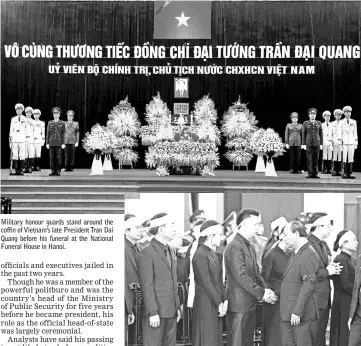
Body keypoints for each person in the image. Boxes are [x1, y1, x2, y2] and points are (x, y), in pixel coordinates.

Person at [223, 209, 277, 346]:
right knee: (238, 342)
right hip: (239, 305)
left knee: (247, 341)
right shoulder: (234, 246)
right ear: (245, 224)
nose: (259, 228)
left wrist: (266, 290)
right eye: (256, 224)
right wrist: (262, 293)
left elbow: (256, 273)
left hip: (249, 302)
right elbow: (241, 276)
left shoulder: (249, 245)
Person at [136, 213, 181, 346]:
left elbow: (173, 281)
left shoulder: (171, 251)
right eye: (171, 225)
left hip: (171, 310)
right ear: (161, 229)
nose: (174, 229)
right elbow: (146, 285)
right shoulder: (147, 252)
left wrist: (177, 306)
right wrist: (152, 312)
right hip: (156, 312)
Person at [188, 220, 227, 346]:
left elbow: (219, 281)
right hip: (205, 301)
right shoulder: (200, 254)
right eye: (220, 234)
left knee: (214, 338)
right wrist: (219, 302)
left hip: (214, 301)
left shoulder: (214, 254)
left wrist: (224, 300)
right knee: (206, 337)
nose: (222, 238)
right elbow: (206, 281)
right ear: (210, 235)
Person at [280, 223, 320, 346]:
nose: (283, 238)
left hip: (300, 315)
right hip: (290, 313)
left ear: (296, 234)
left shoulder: (308, 253)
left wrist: (297, 311)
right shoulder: (296, 252)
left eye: (286, 234)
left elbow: (308, 285)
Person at [308, 214, 343, 346]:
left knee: (320, 337)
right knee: (313, 338)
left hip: (323, 298)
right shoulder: (308, 244)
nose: (330, 229)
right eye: (328, 226)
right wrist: (327, 271)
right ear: (318, 226)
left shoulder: (323, 244)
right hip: (312, 299)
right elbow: (305, 274)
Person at [261, 221, 292, 346]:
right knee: (274, 338)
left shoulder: (291, 254)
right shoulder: (271, 254)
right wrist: (269, 293)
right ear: (283, 236)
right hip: (274, 302)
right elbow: (263, 278)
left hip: (287, 301)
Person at [330, 230, 358, 346]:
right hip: (342, 303)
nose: (357, 243)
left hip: (349, 302)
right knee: (342, 334)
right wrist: (358, 293)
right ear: (344, 243)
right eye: (353, 240)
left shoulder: (352, 260)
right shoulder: (340, 259)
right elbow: (345, 284)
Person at [124, 214, 143, 346]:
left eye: (141, 227)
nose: (141, 230)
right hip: (127, 301)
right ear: (126, 231)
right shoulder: (120, 249)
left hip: (140, 300)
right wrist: (129, 309)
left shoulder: (141, 248)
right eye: (137, 228)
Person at [302, 108, 323, 178]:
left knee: (316, 159)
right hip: (309, 143)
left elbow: (321, 134)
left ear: (316, 115)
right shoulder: (305, 123)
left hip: (317, 142)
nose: (312, 115)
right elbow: (303, 134)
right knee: (309, 159)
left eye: (314, 114)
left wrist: (321, 144)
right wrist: (303, 144)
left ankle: (315, 173)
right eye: (311, 114)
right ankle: (310, 173)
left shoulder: (319, 123)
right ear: (309, 115)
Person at [46, 107, 65, 176]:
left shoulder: (62, 123)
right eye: (54, 114)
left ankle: (58, 170)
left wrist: (63, 143)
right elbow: (48, 133)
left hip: (59, 142)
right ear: (53, 115)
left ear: (59, 115)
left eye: (57, 114)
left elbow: (64, 133)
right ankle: (52, 170)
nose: (56, 115)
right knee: (52, 158)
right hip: (51, 142)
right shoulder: (50, 123)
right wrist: (47, 143)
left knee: (58, 158)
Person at [9, 103, 27, 175]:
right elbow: (11, 130)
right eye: (17, 109)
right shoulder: (13, 119)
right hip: (15, 139)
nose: (18, 111)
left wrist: (27, 140)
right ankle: (16, 170)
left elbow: (27, 129)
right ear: (16, 110)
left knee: (22, 155)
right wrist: (10, 140)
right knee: (15, 155)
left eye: (20, 109)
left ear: (22, 110)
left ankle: (21, 170)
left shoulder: (25, 119)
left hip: (22, 138)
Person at [340, 106, 358, 179]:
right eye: (347, 112)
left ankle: (350, 173)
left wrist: (356, 142)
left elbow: (355, 132)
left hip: (351, 141)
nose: (348, 113)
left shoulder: (354, 121)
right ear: (344, 113)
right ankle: (344, 173)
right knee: (344, 158)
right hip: (344, 141)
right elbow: (339, 133)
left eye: (349, 112)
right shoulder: (341, 122)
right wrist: (340, 143)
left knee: (351, 158)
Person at [348, 254, 361, 346]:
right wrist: (351, 315)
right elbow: (356, 288)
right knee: (353, 342)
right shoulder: (360, 258)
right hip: (357, 313)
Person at [331, 109, 344, 176]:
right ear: (334, 115)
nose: (338, 116)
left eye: (339, 114)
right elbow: (330, 134)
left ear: (341, 116)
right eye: (336, 114)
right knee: (335, 157)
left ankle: (340, 171)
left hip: (341, 142)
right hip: (335, 142)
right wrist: (331, 143)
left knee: (340, 157)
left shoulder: (343, 123)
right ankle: (334, 171)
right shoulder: (332, 123)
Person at [24, 106, 35, 173]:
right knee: (25, 154)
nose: (28, 114)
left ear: (31, 113)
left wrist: (34, 140)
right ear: (25, 113)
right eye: (27, 112)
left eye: (30, 113)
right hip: (24, 139)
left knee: (31, 154)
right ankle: (25, 167)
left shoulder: (33, 121)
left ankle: (30, 167)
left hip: (31, 139)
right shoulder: (23, 120)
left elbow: (35, 131)